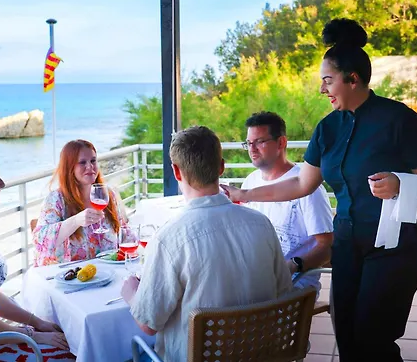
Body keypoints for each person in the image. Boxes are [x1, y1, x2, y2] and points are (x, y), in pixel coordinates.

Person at [222, 18, 417, 362]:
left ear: (353, 79)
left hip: (395, 245)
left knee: (373, 339)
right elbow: (302, 183)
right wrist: (245, 195)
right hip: (348, 244)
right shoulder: (327, 129)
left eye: (327, 80)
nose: (322, 89)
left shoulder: (399, 120)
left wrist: (399, 184)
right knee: (346, 335)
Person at [121, 126, 293, 362]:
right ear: (221, 167)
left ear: (176, 172)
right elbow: (283, 291)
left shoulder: (169, 239)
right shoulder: (262, 224)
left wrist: (131, 293)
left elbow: (148, 324)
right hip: (259, 355)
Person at [0, 152, 74, 360]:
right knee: (71, 354)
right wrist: (35, 336)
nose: (2, 183)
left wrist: (36, 322)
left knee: (69, 341)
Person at [241, 111, 333, 293]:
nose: (252, 149)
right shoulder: (250, 182)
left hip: (295, 285)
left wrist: (292, 265)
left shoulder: (308, 186)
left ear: (281, 142)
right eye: (249, 143)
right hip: (257, 280)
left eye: (259, 141)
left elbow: (327, 247)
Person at [33, 139, 125, 266]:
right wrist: (76, 221)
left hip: (108, 272)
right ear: (69, 167)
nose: (90, 166)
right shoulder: (56, 199)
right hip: (72, 275)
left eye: (93, 161)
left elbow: (122, 232)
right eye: (82, 162)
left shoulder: (107, 194)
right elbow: (40, 240)